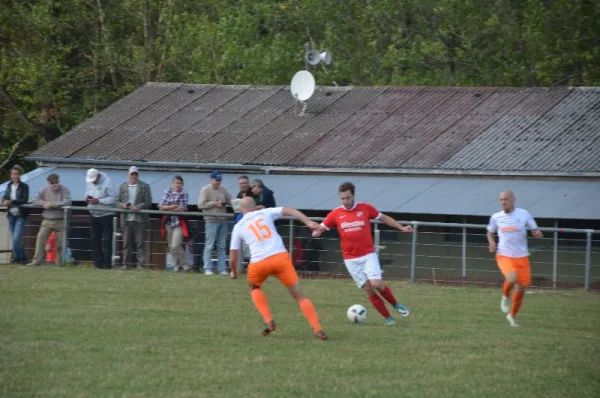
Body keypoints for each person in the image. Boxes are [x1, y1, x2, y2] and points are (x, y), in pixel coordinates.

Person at [312, 182, 413, 326]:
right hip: (350, 259)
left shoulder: (365, 208)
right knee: (368, 289)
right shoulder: (335, 213)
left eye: (347, 198)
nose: (345, 201)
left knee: (377, 284)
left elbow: (383, 218)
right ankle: (388, 319)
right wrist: (316, 232)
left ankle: (396, 304)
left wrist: (401, 228)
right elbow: (321, 227)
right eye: (342, 199)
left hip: (367, 254)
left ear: (353, 196)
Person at [229, 197, 328, 340]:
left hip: (259, 263)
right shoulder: (265, 212)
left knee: (254, 288)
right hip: (280, 258)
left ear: (241, 210)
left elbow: (233, 257)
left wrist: (234, 271)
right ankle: (318, 330)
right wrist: (307, 222)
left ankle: (269, 321)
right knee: (300, 297)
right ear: (255, 207)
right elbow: (289, 210)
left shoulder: (238, 226)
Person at [486, 190, 543, 327]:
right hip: (504, 255)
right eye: (501, 200)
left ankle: (512, 315)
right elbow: (490, 232)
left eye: (505, 199)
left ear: (513, 199)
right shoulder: (496, 217)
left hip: (522, 257)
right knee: (511, 278)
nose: (503, 202)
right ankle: (505, 297)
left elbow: (535, 229)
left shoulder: (524, 214)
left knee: (521, 287)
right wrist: (491, 242)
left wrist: (537, 233)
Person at [28, 173, 72, 266]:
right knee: (40, 239)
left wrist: (52, 204)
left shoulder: (65, 190)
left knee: (61, 243)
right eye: (52, 183)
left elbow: (68, 201)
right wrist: (44, 203)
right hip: (47, 220)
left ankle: (60, 263)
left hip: (60, 220)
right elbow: (34, 201)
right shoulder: (43, 190)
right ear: (48, 183)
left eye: (57, 182)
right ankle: (36, 261)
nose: (55, 184)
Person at [116, 166, 152, 270]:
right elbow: (117, 201)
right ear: (128, 175)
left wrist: (139, 207)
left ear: (138, 175)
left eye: (135, 174)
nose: (133, 176)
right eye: (132, 174)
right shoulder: (122, 187)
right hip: (126, 219)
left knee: (140, 243)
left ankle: (141, 264)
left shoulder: (145, 187)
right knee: (126, 243)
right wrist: (123, 205)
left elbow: (148, 202)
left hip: (139, 219)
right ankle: (125, 264)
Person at [197, 170, 232, 275]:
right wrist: (214, 203)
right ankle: (207, 268)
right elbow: (200, 205)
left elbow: (229, 199)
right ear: (211, 180)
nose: (218, 182)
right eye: (216, 180)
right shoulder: (205, 190)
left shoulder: (223, 189)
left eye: (219, 180)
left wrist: (235, 201)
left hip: (223, 220)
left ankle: (222, 269)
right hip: (211, 220)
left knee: (222, 246)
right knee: (209, 245)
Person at [85, 168, 116, 269]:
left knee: (107, 240)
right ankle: (98, 264)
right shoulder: (89, 183)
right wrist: (86, 198)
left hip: (106, 214)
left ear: (98, 176)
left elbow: (113, 198)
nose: (92, 181)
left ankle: (107, 264)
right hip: (93, 214)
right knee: (94, 240)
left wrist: (99, 200)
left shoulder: (108, 182)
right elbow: (87, 192)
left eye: (94, 179)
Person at [159, 175, 190, 272]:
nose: (178, 185)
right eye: (176, 182)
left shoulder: (184, 193)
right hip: (168, 221)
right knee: (170, 246)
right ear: (172, 183)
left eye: (179, 183)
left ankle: (185, 265)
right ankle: (175, 266)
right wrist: (173, 206)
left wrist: (168, 207)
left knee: (175, 245)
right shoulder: (167, 191)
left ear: (182, 184)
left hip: (179, 222)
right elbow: (161, 207)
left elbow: (183, 209)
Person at [2, 165, 29, 264]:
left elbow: (24, 200)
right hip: (11, 215)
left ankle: (23, 257)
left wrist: (11, 201)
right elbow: (4, 197)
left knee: (16, 238)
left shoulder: (24, 186)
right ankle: (18, 258)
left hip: (20, 215)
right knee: (14, 239)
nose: (15, 176)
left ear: (20, 175)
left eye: (17, 174)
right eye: (13, 174)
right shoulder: (9, 185)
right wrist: (5, 201)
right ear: (11, 175)